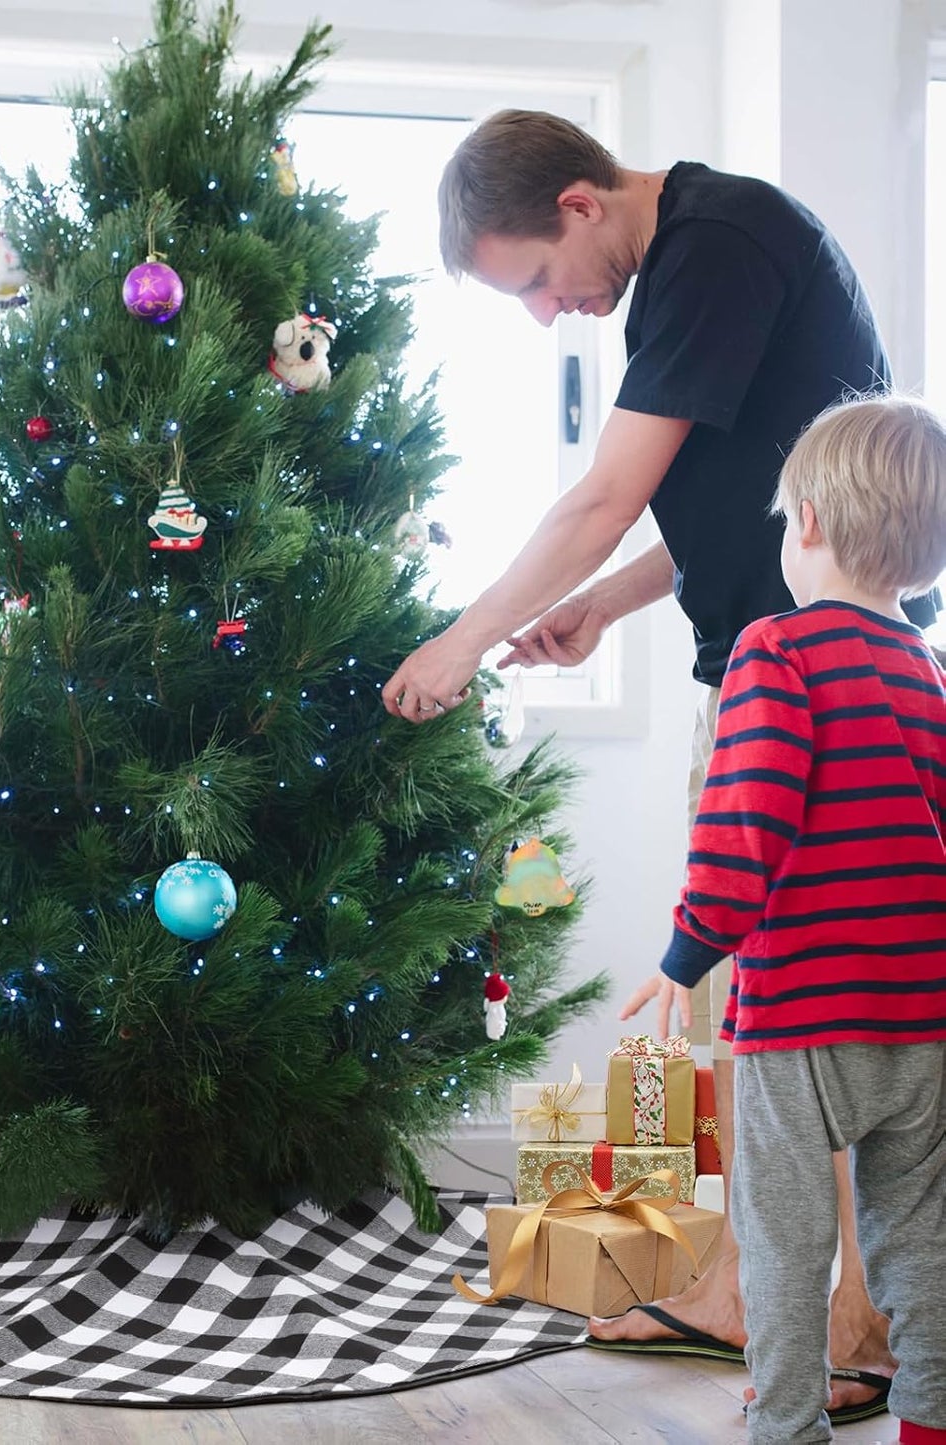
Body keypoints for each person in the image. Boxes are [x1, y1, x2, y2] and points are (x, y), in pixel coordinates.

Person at [383, 108, 938, 1422]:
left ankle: (832, 1327)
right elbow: (734, 500)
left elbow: (602, 492)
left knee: (791, 1020)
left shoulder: (714, 247)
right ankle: (762, 1290)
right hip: (799, 667)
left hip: (792, 686)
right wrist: (612, 607)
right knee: (770, 1029)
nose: (545, 313)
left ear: (581, 202)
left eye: (531, 281)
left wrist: (458, 641)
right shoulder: (710, 259)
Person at [621, 393, 946, 1444]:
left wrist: (686, 951)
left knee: (783, 1234)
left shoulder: (777, 651)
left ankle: (787, 1425)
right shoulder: (930, 678)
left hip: (801, 1011)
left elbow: (744, 816)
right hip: (923, 1014)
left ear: (801, 523)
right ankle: (928, 1420)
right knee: (916, 1235)